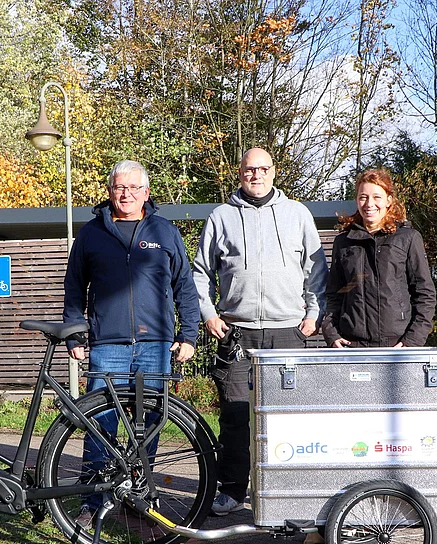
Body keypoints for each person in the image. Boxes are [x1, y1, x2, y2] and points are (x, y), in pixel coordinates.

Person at [63, 159, 200, 525]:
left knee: (150, 421)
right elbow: (74, 285)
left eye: (134, 188)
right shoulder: (92, 233)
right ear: (110, 191)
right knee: (100, 421)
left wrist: (189, 333)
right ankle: (92, 500)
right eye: (120, 188)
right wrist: (76, 333)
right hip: (107, 344)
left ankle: (138, 494)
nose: (126, 194)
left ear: (146, 193)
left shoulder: (166, 232)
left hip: (155, 345)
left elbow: (184, 286)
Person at [193, 148, 328, 516]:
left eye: (263, 169)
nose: (256, 175)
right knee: (235, 417)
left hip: (288, 333)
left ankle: (290, 490)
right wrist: (208, 315)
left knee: (290, 416)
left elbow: (316, 272)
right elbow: (200, 274)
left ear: (274, 172)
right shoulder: (221, 217)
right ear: (240, 173)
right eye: (249, 169)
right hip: (237, 333)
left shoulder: (297, 214)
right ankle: (233, 490)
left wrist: (314, 315)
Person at [320, 168, 436, 348]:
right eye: (363, 197)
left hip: (397, 346)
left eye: (377, 197)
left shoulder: (408, 238)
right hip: (352, 345)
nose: (369, 203)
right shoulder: (343, 242)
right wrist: (331, 333)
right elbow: (334, 294)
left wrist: (412, 341)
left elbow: (425, 294)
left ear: (389, 201)